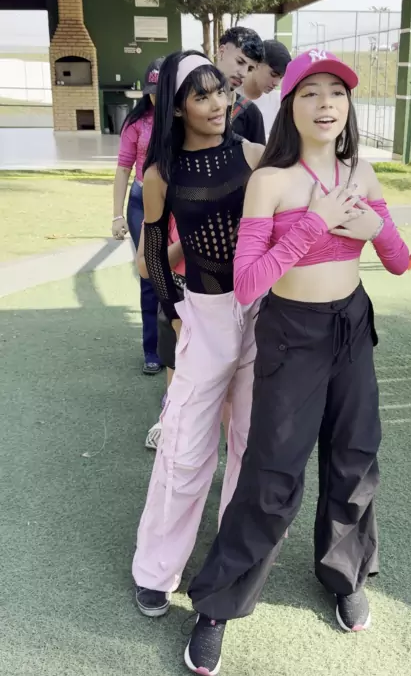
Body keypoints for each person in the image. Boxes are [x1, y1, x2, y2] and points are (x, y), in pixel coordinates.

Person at [184, 50, 410, 675]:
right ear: (289, 105)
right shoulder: (272, 181)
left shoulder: (361, 172)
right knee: (273, 471)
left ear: (348, 105)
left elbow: (398, 261)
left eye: (336, 91)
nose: (326, 103)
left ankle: (344, 573)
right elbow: (248, 284)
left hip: (352, 325)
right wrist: (314, 223)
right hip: (292, 333)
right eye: (310, 92)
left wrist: (375, 230)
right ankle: (218, 605)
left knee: (355, 454)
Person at [132, 49, 264, 619]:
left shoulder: (254, 154)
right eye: (201, 95)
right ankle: (155, 569)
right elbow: (154, 256)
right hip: (203, 314)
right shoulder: (160, 175)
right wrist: (176, 315)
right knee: (184, 447)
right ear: (176, 107)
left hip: (262, 312)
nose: (217, 103)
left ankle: (236, 561)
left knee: (251, 442)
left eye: (221, 92)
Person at [112, 58, 164, 375]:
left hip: (175, 204)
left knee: (177, 274)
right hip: (140, 204)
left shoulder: (186, 118)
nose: (157, 96)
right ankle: (152, 349)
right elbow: (123, 169)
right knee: (148, 275)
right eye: (152, 91)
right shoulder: (136, 123)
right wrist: (116, 215)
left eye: (163, 89)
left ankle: (180, 344)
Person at [136, 218, 186, 448]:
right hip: (177, 290)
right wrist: (190, 235)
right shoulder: (164, 204)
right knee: (175, 359)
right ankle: (170, 417)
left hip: (224, 295)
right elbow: (146, 267)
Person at [215, 27, 266, 144]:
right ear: (221, 52)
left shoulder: (251, 114)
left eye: (250, 69)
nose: (243, 74)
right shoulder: (190, 102)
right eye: (240, 62)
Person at [239, 39, 291, 137]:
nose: (276, 83)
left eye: (281, 77)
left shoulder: (279, 102)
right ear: (257, 64)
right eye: (273, 74)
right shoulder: (230, 96)